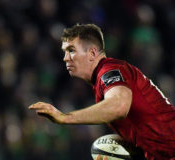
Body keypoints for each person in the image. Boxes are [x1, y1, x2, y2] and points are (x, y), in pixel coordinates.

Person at [29, 24, 175, 160]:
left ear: (92, 53)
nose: (65, 58)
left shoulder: (109, 71)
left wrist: (65, 118)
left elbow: (118, 106)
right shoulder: (102, 82)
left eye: (71, 51)